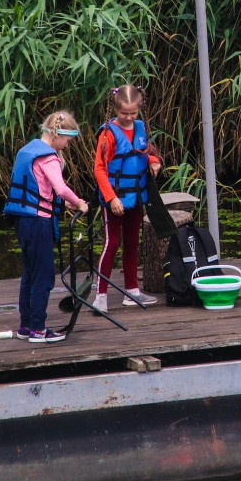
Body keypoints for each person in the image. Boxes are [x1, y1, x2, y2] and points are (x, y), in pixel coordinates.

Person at [3, 110, 90, 344]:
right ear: (56, 135)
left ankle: (26, 325)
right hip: (38, 222)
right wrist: (79, 203)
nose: (67, 146)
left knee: (30, 274)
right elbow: (60, 188)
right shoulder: (49, 157)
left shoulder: (28, 150)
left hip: (22, 220)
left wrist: (63, 205)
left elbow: (42, 189)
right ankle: (39, 329)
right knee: (44, 276)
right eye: (67, 141)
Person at [91, 84, 163, 313]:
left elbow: (149, 151)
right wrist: (112, 199)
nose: (129, 117)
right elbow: (99, 170)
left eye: (133, 113)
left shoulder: (141, 128)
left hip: (135, 197)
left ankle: (132, 292)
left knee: (133, 244)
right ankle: (100, 296)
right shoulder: (108, 134)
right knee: (111, 244)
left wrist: (154, 161)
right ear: (115, 109)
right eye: (124, 113)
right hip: (114, 199)